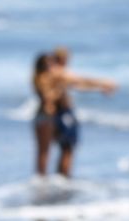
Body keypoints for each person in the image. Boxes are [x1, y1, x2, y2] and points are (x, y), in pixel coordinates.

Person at [31, 49, 117, 177]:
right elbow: (79, 82)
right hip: (50, 117)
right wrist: (103, 83)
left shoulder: (37, 77)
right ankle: (60, 179)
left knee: (44, 151)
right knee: (66, 148)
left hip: (41, 116)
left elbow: (78, 84)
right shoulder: (55, 75)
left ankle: (43, 180)